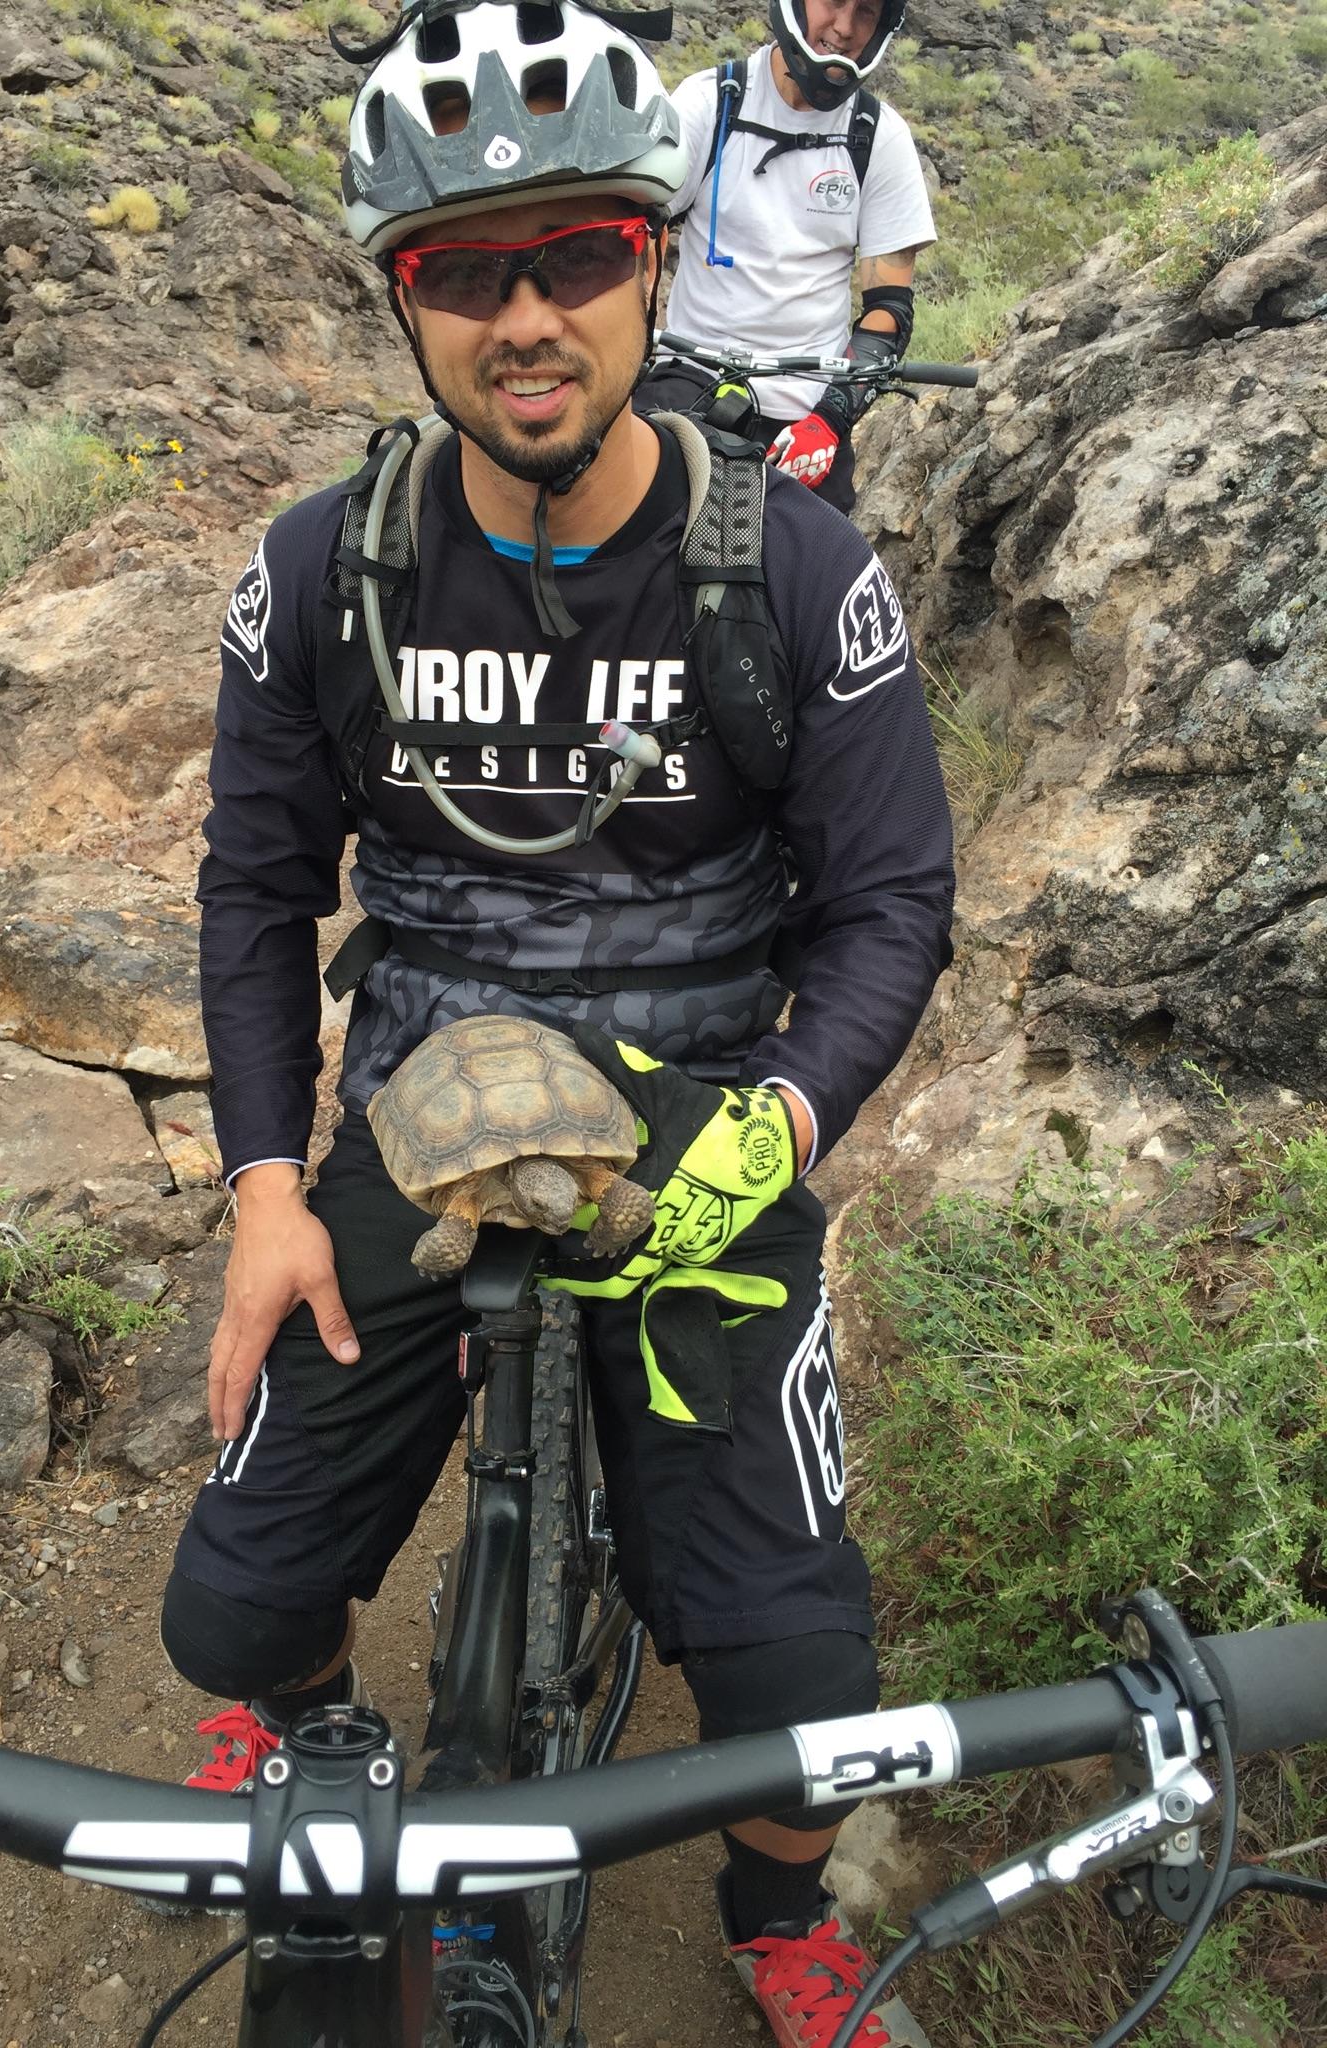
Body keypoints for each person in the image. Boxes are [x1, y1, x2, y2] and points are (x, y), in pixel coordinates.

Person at [160, 2, 953, 2042]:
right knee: (227, 1611)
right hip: (416, 1101)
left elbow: (888, 906)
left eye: (578, 254)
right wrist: (266, 1187)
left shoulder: (793, 570)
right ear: (401, 304)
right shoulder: (326, 570)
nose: (529, 316)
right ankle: (323, 1729)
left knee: (798, 1688)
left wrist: (774, 1126)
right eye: (460, 271)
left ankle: (781, 1916)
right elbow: (257, 889)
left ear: (654, 254)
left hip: (702, 1121)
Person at [636, 0, 934, 514]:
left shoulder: (879, 139)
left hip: (808, 413)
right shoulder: (711, 103)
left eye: (865, 12)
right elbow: (635, 236)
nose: (844, 28)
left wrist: (829, 422)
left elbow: (888, 313)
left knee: (819, 575)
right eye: (833, 2)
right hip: (689, 381)